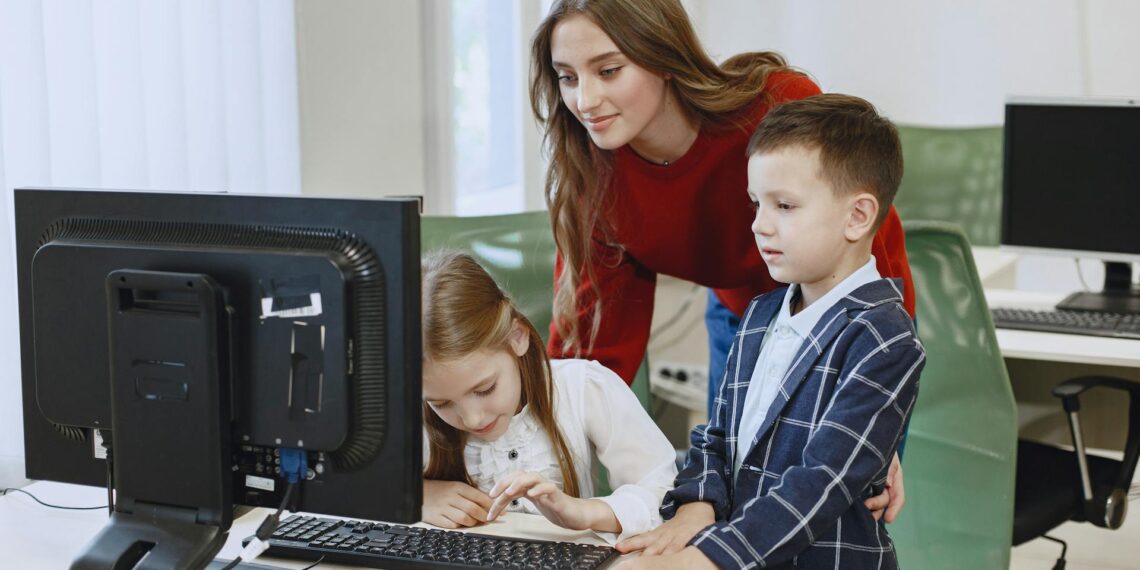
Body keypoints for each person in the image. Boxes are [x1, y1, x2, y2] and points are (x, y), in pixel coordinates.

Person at [529, 0, 908, 525]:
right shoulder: (596, 180)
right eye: (567, 77)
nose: (585, 99)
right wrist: (533, 456)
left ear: (662, 55)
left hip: (845, 328)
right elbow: (592, 352)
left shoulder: (776, 106)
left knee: (836, 523)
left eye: (609, 70)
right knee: (736, 510)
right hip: (745, 323)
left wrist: (878, 417)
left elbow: (873, 246)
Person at [617, 94, 925, 569]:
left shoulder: (883, 338)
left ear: (857, 216)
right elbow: (716, 436)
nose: (760, 226)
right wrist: (696, 507)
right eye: (756, 204)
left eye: (784, 206)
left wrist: (705, 560)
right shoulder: (761, 314)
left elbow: (820, 482)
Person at [419, 250, 678, 543]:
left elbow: (665, 492)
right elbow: (358, 489)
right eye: (441, 403)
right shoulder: (410, 405)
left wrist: (584, 512)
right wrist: (418, 496)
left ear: (517, 337)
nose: (472, 418)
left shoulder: (582, 386)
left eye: (485, 389)